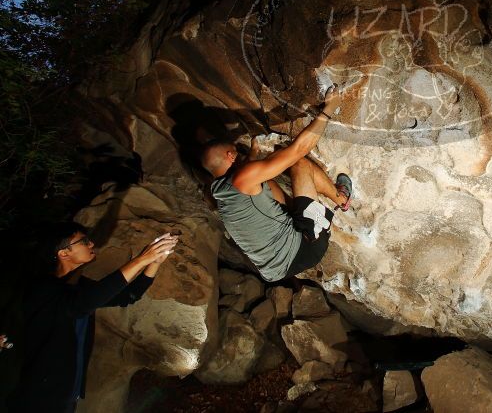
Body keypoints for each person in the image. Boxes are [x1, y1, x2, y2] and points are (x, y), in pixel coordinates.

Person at [9, 222, 178, 412]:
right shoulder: (43, 289)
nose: (91, 244)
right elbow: (83, 304)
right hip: (38, 396)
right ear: (64, 253)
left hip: (66, 395)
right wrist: (141, 259)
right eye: (84, 241)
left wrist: (154, 263)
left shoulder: (78, 287)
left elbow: (129, 296)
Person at [201, 85, 352, 282]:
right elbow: (298, 150)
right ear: (230, 155)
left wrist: (254, 151)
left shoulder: (218, 193)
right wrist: (329, 109)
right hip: (307, 247)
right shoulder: (242, 179)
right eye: (235, 150)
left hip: (278, 268)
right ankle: (342, 199)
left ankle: (304, 211)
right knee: (298, 163)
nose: (239, 151)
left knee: (266, 181)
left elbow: (247, 175)